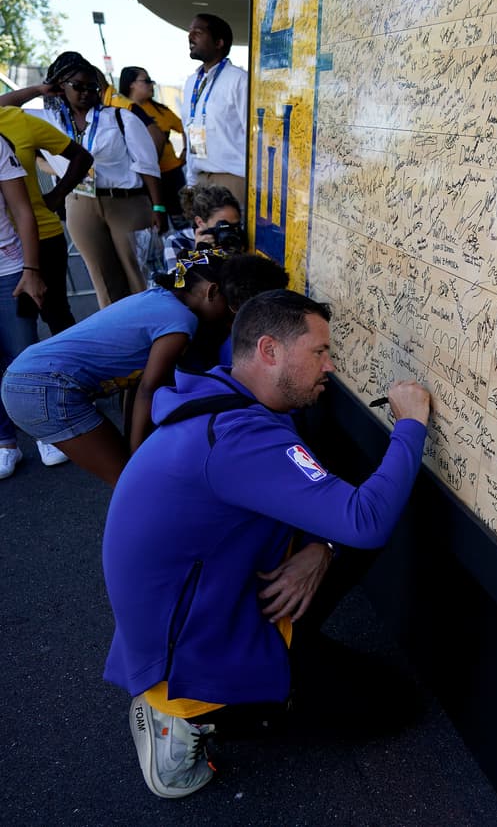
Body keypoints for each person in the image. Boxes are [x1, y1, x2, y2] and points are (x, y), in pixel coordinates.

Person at [101, 290, 432, 798]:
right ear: (270, 350)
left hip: (218, 603)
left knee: (344, 534)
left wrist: (323, 548)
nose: (330, 365)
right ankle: (181, 720)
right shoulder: (238, 439)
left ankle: (280, 660)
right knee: (396, 705)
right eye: (319, 352)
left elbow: (328, 508)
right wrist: (410, 423)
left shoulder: (230, 394)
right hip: (192, 659)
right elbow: (366, 520)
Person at [0, 249, 231, 486]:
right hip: (44, 387)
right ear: (212, 291)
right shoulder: (181, 321)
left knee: (133, 478)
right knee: (133, 484)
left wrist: (134, 448)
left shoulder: (157, 299)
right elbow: (148, 390)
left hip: (25, 377)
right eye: (231, 303)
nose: (231, 315)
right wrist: (137, 455)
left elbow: (136, 386)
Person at [12, 53, 166, 308]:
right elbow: (3, 107)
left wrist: (158, 206)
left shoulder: (120, 118)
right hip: (80, 203)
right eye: (77, 86)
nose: (86, 92)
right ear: (60, 86)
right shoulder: (46, 119)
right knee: (104, 281)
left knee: (142, 275)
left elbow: (148, 166)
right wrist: (39, 90)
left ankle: (156, 325)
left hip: (126, 203)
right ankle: (118, 330)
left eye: (92, 87)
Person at [0, 98, 94, 337]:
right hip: (5, 249)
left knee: (54, 317)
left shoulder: (17, 119)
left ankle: (73, 363)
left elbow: (82, 157)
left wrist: (57, 195)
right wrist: (38, 90)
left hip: (41, 238)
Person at [0, 137, 48, 479]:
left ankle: (46, 431)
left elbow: (22, 210)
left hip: (8, 269)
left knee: (24, 355)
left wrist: (31, 269)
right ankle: (5, 442)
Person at [182, 14, 248, 210]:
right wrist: (191, 182)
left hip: (232, 181)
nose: (190, 36)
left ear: (219, 42)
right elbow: (191, 133)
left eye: (198, 32)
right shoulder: (191, 83)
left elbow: (254, 138)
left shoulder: (239, 80)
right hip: (201, 181)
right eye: (190, 32)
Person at [116, 67, 187, 226]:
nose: (152, 85)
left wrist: (186, 150)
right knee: (154, 223)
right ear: (131, 84)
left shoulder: (161, 110)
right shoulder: (120, 111)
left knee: (181, 219)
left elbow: (185, 128)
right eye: (147, 81)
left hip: (171, 174)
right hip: (144, 178)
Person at [163, 183, 242, 270]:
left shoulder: (239, 236)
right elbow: (178, 278)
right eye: (224, 226)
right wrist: (200, 254)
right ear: (200, 222)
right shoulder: (177, 242)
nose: (230, 232)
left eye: (235, 225)